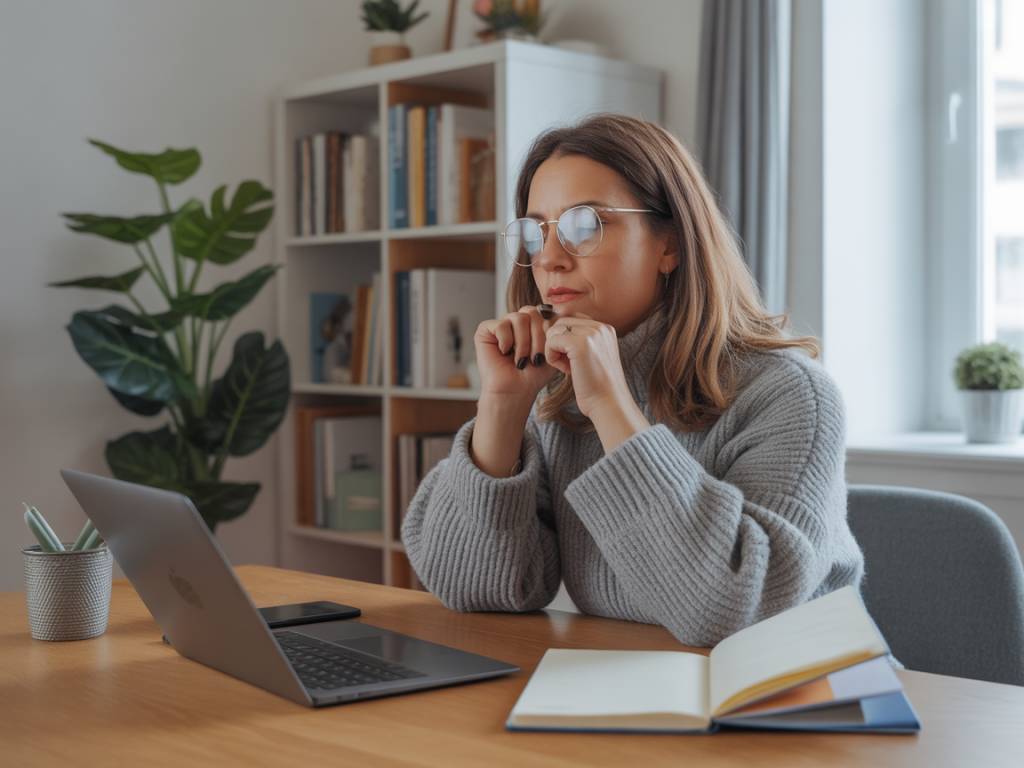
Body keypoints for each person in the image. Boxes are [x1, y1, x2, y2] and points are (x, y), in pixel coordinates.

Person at [400, 113, 864, 647]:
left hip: (802, 701)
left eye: (584, 226)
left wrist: (610, 404)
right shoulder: (554, 392)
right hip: (639, 691)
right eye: (536, 231)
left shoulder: (790, 394)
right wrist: (502, 408)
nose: (548, 259)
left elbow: (730, 610)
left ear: (669, 243)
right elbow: (472, 587)